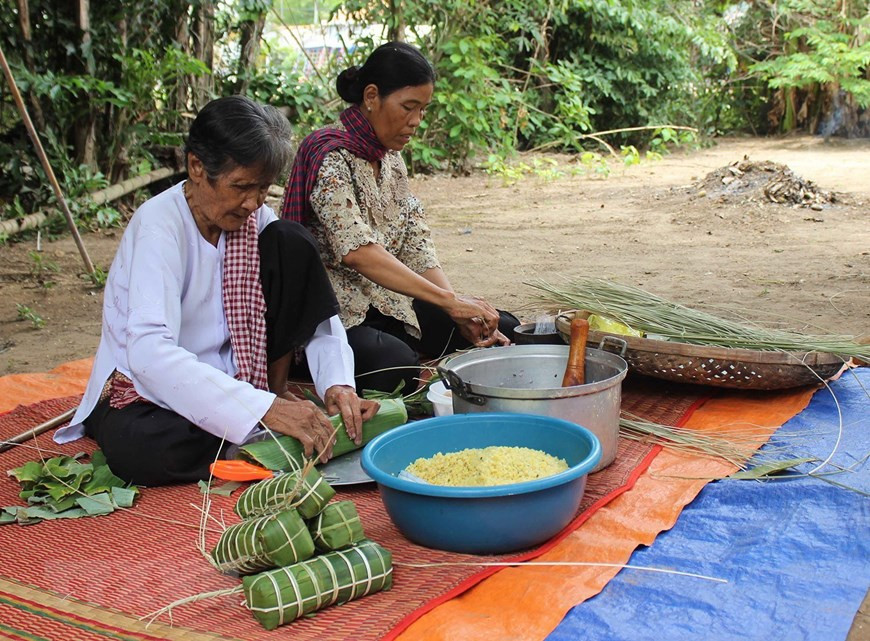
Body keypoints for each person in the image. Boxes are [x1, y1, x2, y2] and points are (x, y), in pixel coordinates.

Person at [56, 96, 379, 486]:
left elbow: (317, 318)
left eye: (263, 189)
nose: (252, 203)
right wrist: (264, 409)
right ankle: (256, 431)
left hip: (238, 378)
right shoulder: (159, 227)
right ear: (196, 167)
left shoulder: (255, 217)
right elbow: (148, 354)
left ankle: (250, 427)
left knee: (292, 240)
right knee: (143, 447)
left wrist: (337, 383)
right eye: (241, 186)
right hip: (149, 387)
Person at [282, 42, 519, 394]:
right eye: (409, 107)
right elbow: (357, 252)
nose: (416, 122)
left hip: (391, 302)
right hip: (338, 316)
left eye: (423, 110)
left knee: (503, 328)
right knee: (397, 367)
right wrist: (449, 303)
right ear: (372, 96)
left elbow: (415, 244)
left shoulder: (392, 160)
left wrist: (457, 308)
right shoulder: (330, 157)